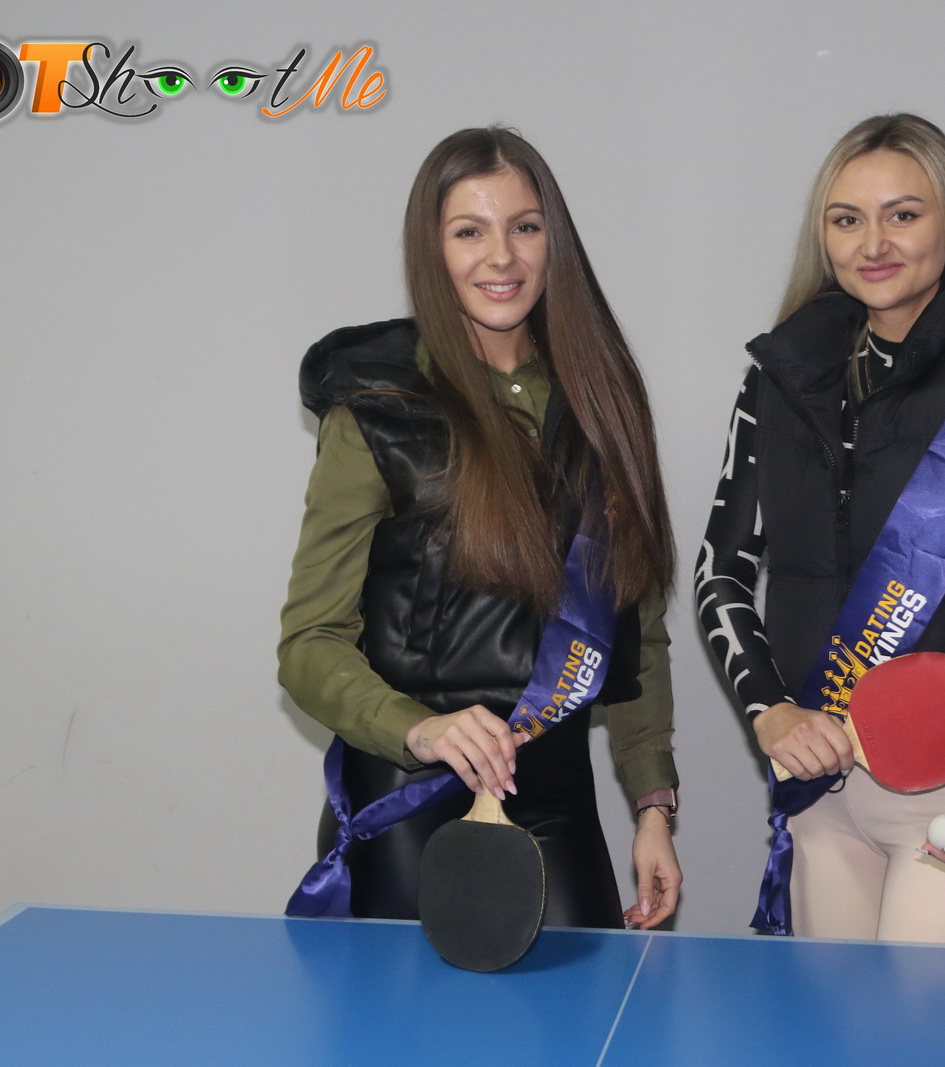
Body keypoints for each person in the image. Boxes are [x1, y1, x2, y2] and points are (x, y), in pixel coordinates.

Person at [695, 113, 945, 942]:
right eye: (847, 219)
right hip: (819, 786)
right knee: (833, 1016)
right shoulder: (775, 382)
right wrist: (770, 710)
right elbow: (718, 573)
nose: (873, 243)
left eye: (903, 214)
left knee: (929, 1015)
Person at [280, 127, 681, 931]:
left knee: (582, 1005)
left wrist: (652, 803)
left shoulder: (603, 397)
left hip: (553, 790)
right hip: (409, 790)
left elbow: (634, 620)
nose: (502, 256)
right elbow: (309, 644)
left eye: (525, 227)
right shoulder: (376, 408)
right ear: (432, 250)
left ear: (553, 240)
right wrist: (420, 728)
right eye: (470, 231)